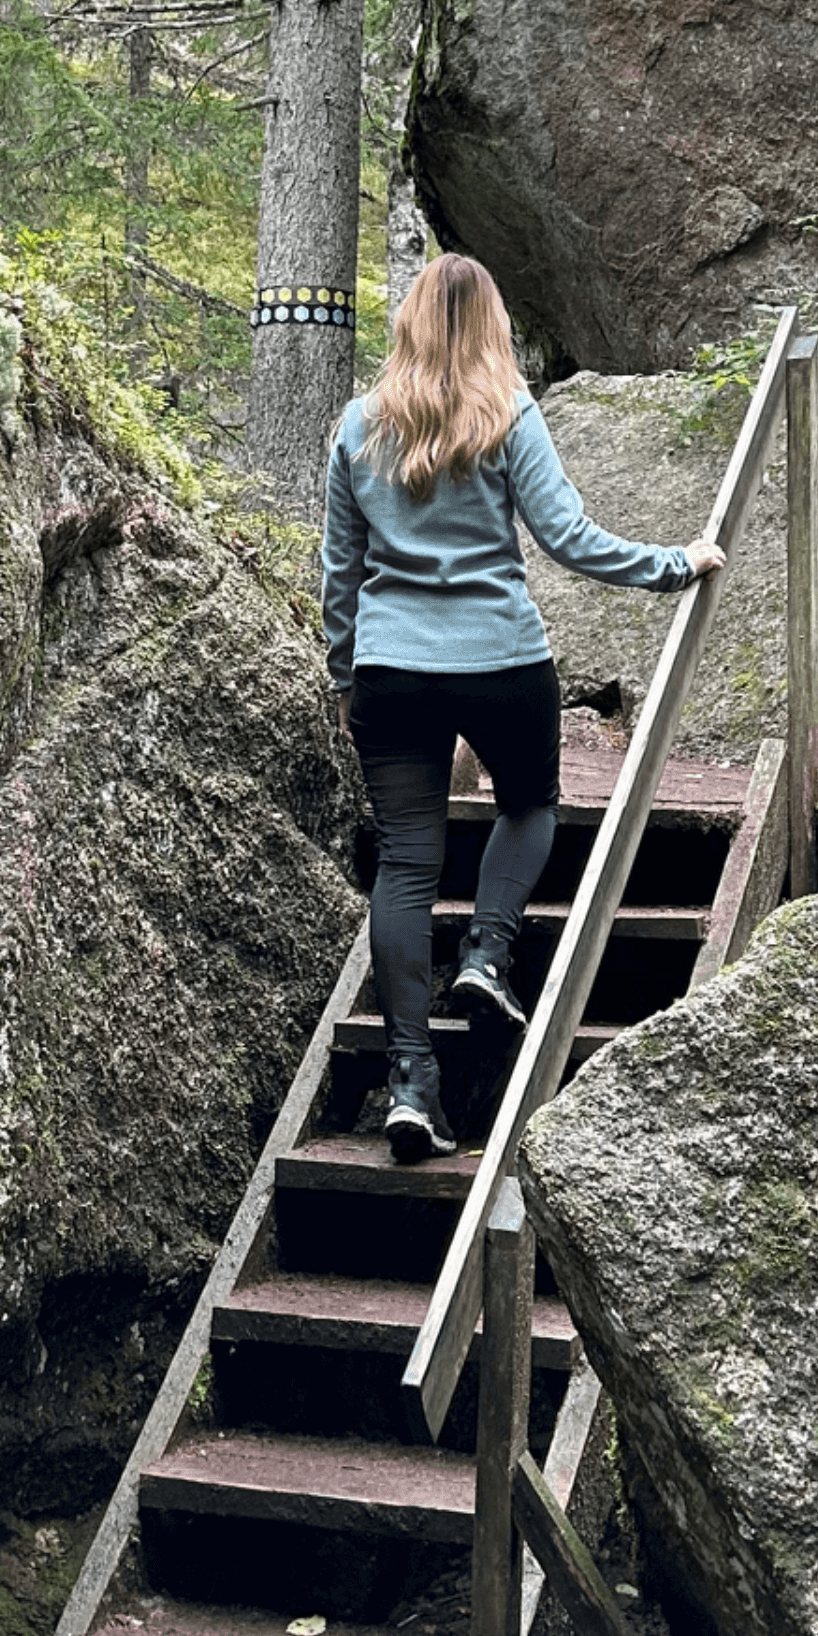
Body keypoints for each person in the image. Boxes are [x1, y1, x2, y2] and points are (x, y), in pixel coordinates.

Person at [322, 254, 725, 1163]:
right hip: (501, 660)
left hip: (393, 670)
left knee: (407, 868)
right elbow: (568, 538)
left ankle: (411, 1083)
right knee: (530, 806)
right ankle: (486, 954)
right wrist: (675, 563)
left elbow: (339, 575)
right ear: (492, 324)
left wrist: (349, 674)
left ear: (411, 322)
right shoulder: (509, 416)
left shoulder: (357, 426)